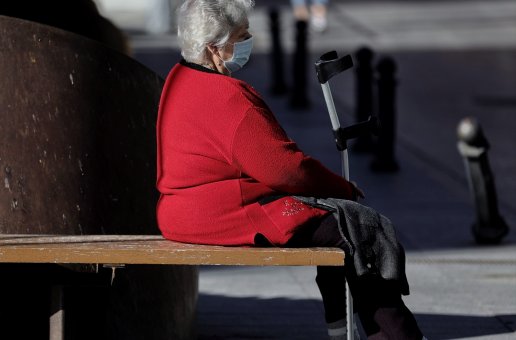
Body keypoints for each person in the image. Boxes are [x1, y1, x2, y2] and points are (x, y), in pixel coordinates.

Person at [156, 1, 428, 339]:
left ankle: (341, 327)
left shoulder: (180, 78)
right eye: (242, 37)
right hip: (226, 212)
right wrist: (342, 188)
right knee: (359, 227)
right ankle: (398, 335)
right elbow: (285, 170)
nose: (248, 42)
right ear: (214, 49)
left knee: (337, 227)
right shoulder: (227, 97)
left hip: (187, 212)